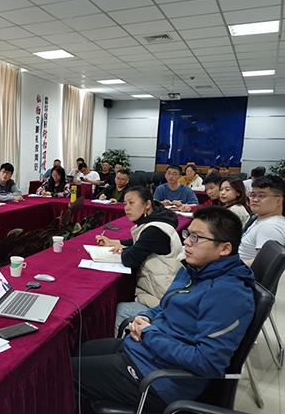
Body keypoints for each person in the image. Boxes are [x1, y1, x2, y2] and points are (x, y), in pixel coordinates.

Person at [73, 206, 255, 412]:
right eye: (188, 234)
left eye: (196, 237)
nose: (186, 242)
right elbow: (165, 305)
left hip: (158, 379)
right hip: (143, 350)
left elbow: (207, 363)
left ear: (224, 248)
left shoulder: (228, 294)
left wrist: (149, 334)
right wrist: (145, 317)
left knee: (63, 374)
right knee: (71, 354)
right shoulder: (194, 269)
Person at [95, 186, 183, 329]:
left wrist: (124, 250)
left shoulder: (154, 230)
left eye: (131, 203)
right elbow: (139, 243)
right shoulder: (159, 221)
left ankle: (123, 343)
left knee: (119, 310)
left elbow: (130, 259)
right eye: (125, 204)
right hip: (163, 291)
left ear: (147, 204)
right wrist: (115, 243)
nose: (127, 208)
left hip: (160, 299)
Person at [239, 175, 285, 266]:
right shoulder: (262, 220)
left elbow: (265, 264)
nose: (255, 199)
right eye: (253, 195)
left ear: (278, 201)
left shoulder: (270, 227)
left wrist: (228, 268)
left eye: (261, 196)